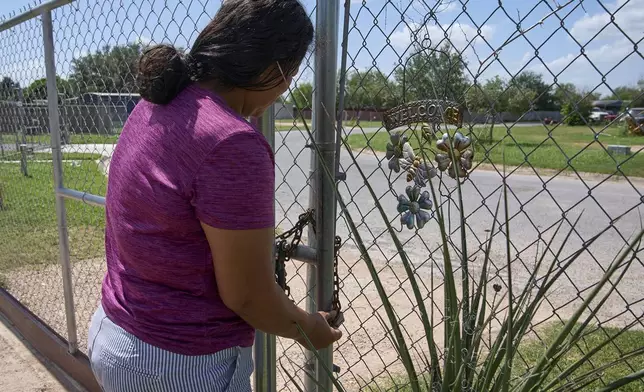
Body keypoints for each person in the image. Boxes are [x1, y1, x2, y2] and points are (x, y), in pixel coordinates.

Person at [87, 1, 342, 390]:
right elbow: (247, 295)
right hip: (179, 365)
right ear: (276, 70)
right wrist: (310, 330)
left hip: (115, 331)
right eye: (291, 75)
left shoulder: (158, 103)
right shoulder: (232, 142)